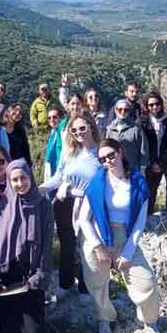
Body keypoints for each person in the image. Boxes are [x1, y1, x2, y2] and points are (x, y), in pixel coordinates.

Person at [78, 140, 160, 333]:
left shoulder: (138, 183)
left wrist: (128, 253)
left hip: (125, 236)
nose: (108, 161)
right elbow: (83, 219)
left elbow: (140, 222)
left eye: (111, 155)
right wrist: (98, 247)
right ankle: (105, 318)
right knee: (97, 283)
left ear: (121, 152)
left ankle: (149, 320)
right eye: (103, 159)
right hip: (96, 236)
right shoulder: (97, 183)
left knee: (147, 282)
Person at [0, 159, 54, 333]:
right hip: (6, 271)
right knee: (8, 321)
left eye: (23, 178)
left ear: (31, 177)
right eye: (14, 180)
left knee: (33, 324)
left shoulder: (43, 205)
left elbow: (46, 243)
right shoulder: (4, 204)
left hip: (31, 273)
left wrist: (41, 273)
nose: (19, 183)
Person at [40, 112, 101, 295]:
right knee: (67, 244)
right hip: (65, 201)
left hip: (90, 204)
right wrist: (41, 188)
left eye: (82, 128)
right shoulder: (69, 152)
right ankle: (65, 284)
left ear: (91, 126)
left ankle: (85, 286)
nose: (78, 133)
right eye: (74, 130)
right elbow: (59, 176)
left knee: (87, 244)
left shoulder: (100, 151)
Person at [104, 98, 149, 173]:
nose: (122, 112)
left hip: (132, 168)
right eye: (120, 109)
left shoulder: (136, 129)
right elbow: (107, 148)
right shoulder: (110, 129)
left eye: (126, 110)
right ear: (115, 110)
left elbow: (143, 148)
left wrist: (142, 168)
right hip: (115, 168)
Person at [140, 92, 167, 214]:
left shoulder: (166, 121)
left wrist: (160, 162)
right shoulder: (142, 121)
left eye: (157, 104)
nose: (154, 107)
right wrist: (151, 163)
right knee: (143, 189)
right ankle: (141, 215)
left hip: (160, 161)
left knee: (154, 189)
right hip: (146, 161)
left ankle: (149, 214)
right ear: (146, 106)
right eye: (151, 105)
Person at [42, 107, 65, 179]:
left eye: (54, 117)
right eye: (49, 118)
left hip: (61, 167)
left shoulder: (63, 131)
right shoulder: (53, 132)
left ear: (60, 118)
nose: (51, 120)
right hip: (51, 166)